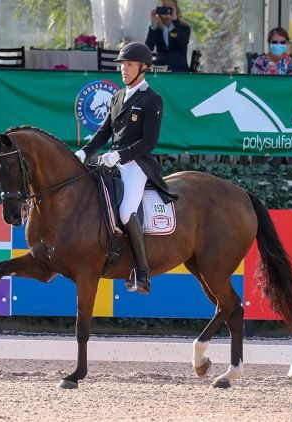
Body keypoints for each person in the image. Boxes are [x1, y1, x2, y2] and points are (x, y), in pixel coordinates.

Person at [74, 42, 177, 295]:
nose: (124, 70)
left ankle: (142, 273)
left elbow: (149, 141)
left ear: (143, 68)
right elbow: (104, 131)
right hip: (111, 161)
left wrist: (119, 155)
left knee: (125, 211)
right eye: (122, 65)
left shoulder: (152, 99)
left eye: (129, 65)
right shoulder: (118, 96)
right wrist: (84, 152)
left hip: (136, 164)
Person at [145, 0, 191, 72]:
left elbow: (183, 43)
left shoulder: (183, 27)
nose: (166, 10)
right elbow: (148, 48)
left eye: (169, 7)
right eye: (163, 7)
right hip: (161, 68)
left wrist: (175, 20)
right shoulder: (157, 28)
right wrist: (153, 26)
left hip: (179, 68)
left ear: (176, 9)